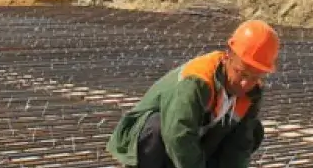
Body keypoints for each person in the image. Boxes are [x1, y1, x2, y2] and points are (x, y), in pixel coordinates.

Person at [107, 19, 280, 168]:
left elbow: (239, 145)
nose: (246, 83)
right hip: (152, 145)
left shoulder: (252, 92)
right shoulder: (197, 81)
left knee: (253, 131)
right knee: (157, 125)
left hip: (192, 145)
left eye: (255, 77)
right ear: (228, 55)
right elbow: (178, 136)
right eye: (242, 73)